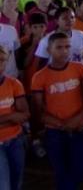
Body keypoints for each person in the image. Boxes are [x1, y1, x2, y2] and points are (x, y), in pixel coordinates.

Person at [31, 32, 83, 190]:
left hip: (79, 127)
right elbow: (39, 110)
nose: (64, 51)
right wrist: (63, 124)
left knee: (82, 167)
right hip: (55, 132)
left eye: (67, 47)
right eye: (59, 47)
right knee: (61, 171)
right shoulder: (39, 77)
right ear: (49, 50)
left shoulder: (79, 69)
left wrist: (77, 119)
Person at [0, 44, 28, 190]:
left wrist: (4, 119)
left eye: (2, 60)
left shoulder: (14, 84)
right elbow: (18, 115)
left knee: (16, 182)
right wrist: (11, 117)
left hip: (15, 139)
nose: (0, 64)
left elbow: (24, 114)